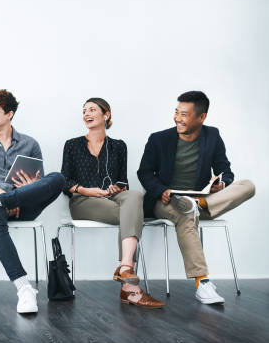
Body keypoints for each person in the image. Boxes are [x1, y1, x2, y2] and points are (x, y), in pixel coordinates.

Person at [137, 91, 255, 304]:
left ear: (201, 117)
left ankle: (199, 203)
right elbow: (144, 172)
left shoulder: (212, 136)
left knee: (248, 185)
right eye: (176, 112)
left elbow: (225, 169)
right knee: (185, 212)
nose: (177, 118)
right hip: (167, 201)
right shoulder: (159, 139)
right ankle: (202, 283)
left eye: (184, 114)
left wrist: (221, 183)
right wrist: (160, 190)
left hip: (202, 202)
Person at [0, 89, 66, 314]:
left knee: (58, 178)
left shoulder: (30, 143)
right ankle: (24, 289)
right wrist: (3, 197)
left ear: (9, 114)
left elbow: (38, 185)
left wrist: (28, 188)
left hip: (22, 203)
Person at [61, 98, 164, 308]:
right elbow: (64, 181)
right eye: (84, 111)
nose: (86, 114)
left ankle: (125, 267)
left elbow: (123, 181)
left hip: (113, 198)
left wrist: (117, 188)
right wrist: (85, 190)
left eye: (92, 109)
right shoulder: (72, 145)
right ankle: (130, 289)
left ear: (106, 115)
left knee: (134, 196)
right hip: (83, 200)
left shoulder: (118, 146)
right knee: (133, 215)